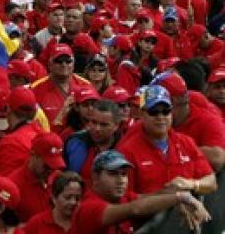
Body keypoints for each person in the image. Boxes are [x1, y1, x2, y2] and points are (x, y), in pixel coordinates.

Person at [70, 150, 211, 233]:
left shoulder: (122, 197)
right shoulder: (90, 207)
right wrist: (181, 198)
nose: (120, 180)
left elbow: (151, 197)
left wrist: (181, 191)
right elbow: (135, 209)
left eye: (124, 174)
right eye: (113, 174)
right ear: (95, 177)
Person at [116, 85, 217, 195]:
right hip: (150, 211)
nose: (160, 117)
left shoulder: (186, 142)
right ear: (141, 114)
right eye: (153, 112)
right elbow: (125, 198)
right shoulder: (127, 151)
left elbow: (211, 182)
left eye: (166, 111)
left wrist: (191, 184)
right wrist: (166, 196)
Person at [4, 132, 66, 222]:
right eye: (47, 166)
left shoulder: (59, 178)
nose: (51, 170)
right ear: (33, 155)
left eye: (55, 165)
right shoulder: (13, 185)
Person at [64, 99, 122, 187]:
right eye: (93, 122)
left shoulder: (124, 146)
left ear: (116, 126)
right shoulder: (75, 142)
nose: (97, 128)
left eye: (104, 125)